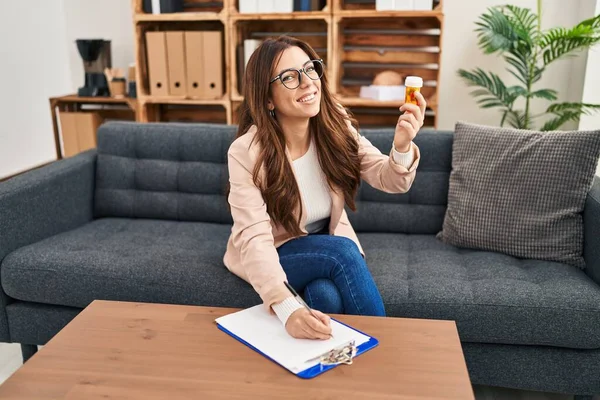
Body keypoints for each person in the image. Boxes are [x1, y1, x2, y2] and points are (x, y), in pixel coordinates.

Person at [223, 36, 425, 340]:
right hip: (277, 251)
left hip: (323, 244)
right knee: (341, 253)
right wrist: (287, 309)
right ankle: (385, 358)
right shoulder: (246, 152)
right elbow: (254, 238)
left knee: (325, 296)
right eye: (289, 77)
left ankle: (332, 373)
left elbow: (392, 180)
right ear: (267, 98)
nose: (307, 83)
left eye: (310, 69)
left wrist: (401, 145)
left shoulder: (335, 126)